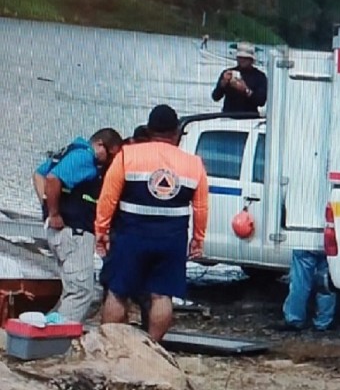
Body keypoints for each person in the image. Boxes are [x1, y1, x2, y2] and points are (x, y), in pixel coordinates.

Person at [95, 104, 209, 341]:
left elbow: (108, 198)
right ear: (176, 132)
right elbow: (201, 207)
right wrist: (198, 239)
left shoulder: (128, 155)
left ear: (148, 129)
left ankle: (110, 346)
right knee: (162, 295)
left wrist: (102, 230)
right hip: (172, 238)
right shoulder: (194, 164)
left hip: (132, 235)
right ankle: (152, 346)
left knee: (117, 292)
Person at [32, 128, 124, 323]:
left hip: (62, 233)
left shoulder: (69, 151)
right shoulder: (84, 157)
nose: (110, 161)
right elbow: (52, 179)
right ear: (100, 145)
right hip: (74, 233)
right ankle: (57, 338)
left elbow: (39, 174)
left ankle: (46, 327)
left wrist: (46, 207)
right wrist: (54, 212)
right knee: (81, 292)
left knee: (71, 289)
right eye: (111, 155)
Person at [99, 124, 152, 330]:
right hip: (123, 229)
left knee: (118, 285)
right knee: (119, 286)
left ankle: (118, 328)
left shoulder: (122, 158)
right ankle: (119, 328)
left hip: (123, 229)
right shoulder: (124, 160)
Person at [275, 250, 337, 332]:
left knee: (300, 281)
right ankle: (324, 322)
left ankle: (295, 319)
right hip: (326, 244)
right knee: (324, 281)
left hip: (305, 243)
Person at [211, 42, 267, 113]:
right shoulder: (228, 73)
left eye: (246, 58)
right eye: (240, 57)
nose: (242, 60)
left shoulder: (260, 76)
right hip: (228, 117)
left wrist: (245, 90)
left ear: (252, 60)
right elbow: (215, 97)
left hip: (250, 118)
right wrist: (222, 84)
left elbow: (261, 101)